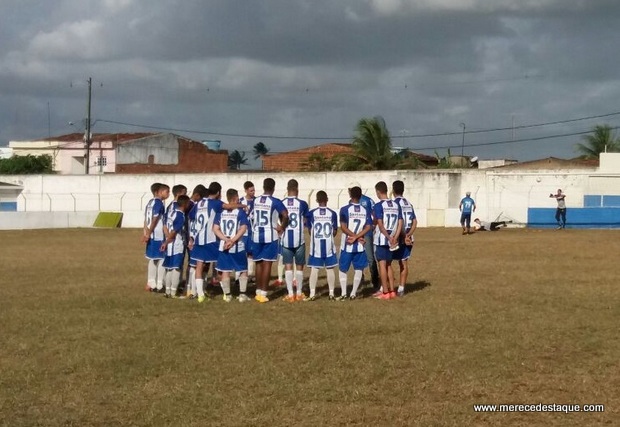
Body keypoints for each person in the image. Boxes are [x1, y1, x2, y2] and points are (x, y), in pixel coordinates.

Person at [251, 178, 289, 303]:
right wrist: (282, 227)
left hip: (256, 234)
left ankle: (257, 291)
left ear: (263, 186)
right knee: (267, 263)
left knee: (258, 263)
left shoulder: (255, 200)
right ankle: (263, 293)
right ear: (273, 188)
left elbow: (251, 215)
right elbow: (285, 214)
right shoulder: (275, 201)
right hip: (269, 234)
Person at [189, 182, 225, 303]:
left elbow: (192, 216)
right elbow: (229, 206)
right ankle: (226, 293)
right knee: (219, 264)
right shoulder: (216, 203)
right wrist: (241, 205)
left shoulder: (199, 203)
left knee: (200, 265)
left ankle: (200, 294)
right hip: (210, 239)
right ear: (219, 193)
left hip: (199, 238)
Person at [213, 189, 251, 303]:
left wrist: (225, 239)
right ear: (234, 199)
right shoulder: (240, 212)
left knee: (225, 270)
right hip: (237, 245)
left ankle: (228, 295)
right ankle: (242, 295)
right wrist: (233, 240)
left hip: (224, 245)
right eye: (238, 198)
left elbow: (215, 229)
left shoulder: (221, 213)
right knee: (243, 269)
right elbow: (243, 228)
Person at [338, 186, 372, 300]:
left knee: (343, 269)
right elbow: (368, 226)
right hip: (360, 245)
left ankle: (343, 293)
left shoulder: (344, 209)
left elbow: (343, 227)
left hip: (347, 244)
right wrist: (358, 237)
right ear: (361, 196)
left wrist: (353, 237)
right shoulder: (365, 210)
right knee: (359, 268)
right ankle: (353, 293)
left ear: (350, 195)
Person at [305, 191, 339, 301]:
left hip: (316, 247)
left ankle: (312, 294)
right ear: (327, 199)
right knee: (330, 269)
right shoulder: (332, 213)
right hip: (329, 245)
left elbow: (310, 230)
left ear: (316, 200)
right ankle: (331, 293)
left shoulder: (311, 213)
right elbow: (334, 231)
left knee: (314, 269)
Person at [373, 181, 403, 300]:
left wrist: (388, 237)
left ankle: (385, 292)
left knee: (382, 264)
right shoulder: (396, 205)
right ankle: (392, 290)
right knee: (389, 264)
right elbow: (400, 222)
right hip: (393, 239)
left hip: (382, 239)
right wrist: (395, 237)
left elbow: (380, 224)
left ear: (378, 192)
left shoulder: (378, 205)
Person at [281, 179, 309, 302]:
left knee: (288, 266)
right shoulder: (302, 204)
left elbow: (280, 219)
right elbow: (305, 220)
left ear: (287, 190)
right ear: (297, 189)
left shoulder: (281, 203)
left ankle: (290, 294)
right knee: (299, 267)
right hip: (299, 239)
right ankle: (299, 292)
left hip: (286, 238)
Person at [348, 181, 379, 291]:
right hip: (361, 233)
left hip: (361, 234)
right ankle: (366, 280)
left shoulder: (365, 201)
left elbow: (375, 215)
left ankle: (374, 280)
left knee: (367, 257)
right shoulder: (367, 200)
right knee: (365, 257)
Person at [161, 195, 191, 298]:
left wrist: (166, 239)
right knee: (176, 268)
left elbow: (164, 225)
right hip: (176, 244)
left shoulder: (171, 213)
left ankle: (167, 291)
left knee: (169, 268)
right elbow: (174, 231)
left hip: (169, 245)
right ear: (185, 204)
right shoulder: (180, 216)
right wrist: (168, 240)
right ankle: (173, 292)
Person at [142, 183, 170, 293]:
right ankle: (159, 284)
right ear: (158, 192)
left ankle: (150, 282)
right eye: (166, 191)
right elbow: (155, 219)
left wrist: (145, 232)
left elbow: (145, 219)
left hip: (151, 235)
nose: (168, 193)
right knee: (162, 258)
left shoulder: (149, 203)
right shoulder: (159, 204)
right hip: (157, 235)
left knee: (152, 258)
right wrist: (149, 233)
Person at [392, 180, 417, 297]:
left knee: (387, 262)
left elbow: (398, 223)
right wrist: (409, 235)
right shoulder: (409, 203)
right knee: (404, 262)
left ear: (393, 190)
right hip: (408, 237)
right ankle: (401, 289)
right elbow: (415, 221)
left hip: (398, 237)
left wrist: (403, 236)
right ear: (403, 190)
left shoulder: (394, 204)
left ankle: (387, 288)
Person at [186, 184, 208, 299]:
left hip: (193, 236)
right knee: (196, 265)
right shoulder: (194, 205)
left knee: (195, 264)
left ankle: (192, 289)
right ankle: (192, 290)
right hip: (197, 238)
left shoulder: (195, 206)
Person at [238, 181, 256, 282]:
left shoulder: (257, 201)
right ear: (245, 190)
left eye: (253, 190)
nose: (253, 192)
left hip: (253, 231)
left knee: (251, 254)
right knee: (241, 253)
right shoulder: (240, 201)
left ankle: (249, 274)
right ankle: (238, 276)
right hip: (243, 232)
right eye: (251, 191)